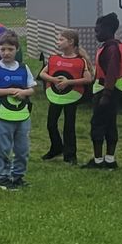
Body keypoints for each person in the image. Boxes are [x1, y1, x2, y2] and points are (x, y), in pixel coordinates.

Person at [0, 28, 35, 190]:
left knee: (22, 149)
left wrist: (24, 92)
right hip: (1, 115)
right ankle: (3, 177)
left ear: (17, 49)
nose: (6, 53)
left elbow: (31, 89)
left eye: (10, 49)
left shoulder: (23, 68)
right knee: (3, 148)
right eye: (3, 49)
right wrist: (10, 91)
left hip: (22, 115)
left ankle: (18, 176)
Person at [40, 29, 91, 163]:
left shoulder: (80, 61)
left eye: (61, 40)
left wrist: (69, 82)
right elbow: (42, 74)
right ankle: (56, 147)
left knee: (69, 126)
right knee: (51, 124)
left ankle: (70, 155)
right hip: (55, 96)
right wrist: (53, 79)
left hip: (71, 96)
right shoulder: (54, 58)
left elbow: (88, 79)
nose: (58, 42)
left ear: (71, 42)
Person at [88, 12, 122, 170]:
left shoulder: (111, 49)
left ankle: (98, 161)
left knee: (98, 125)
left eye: (98, 31)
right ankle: (110, 160)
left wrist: (106, 94)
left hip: (106, 91)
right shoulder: (114, 46)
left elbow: (111, 71)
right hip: (112, 90)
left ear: (108, 29)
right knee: (110, 124)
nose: (96, 34)